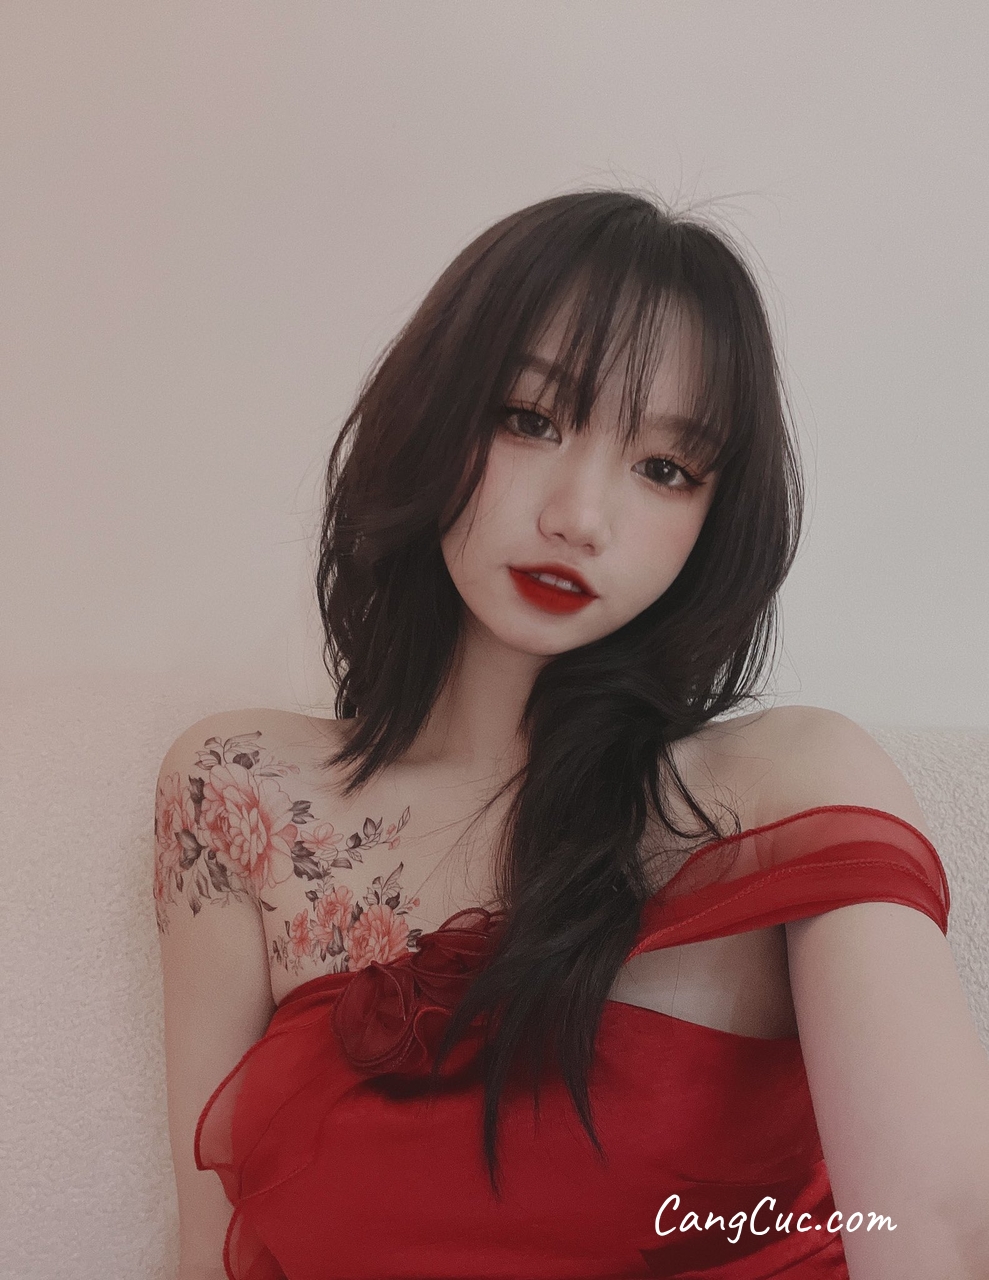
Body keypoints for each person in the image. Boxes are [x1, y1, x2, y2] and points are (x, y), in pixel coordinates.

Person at [155, 190, 989, 1280]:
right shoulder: (237, 789)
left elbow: (937, 1230)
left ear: (713, 520)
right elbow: (210, 1250)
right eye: (529, 418)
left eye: (665, 469)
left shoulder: (786, 787)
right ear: (432, 413)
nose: (579, 518)